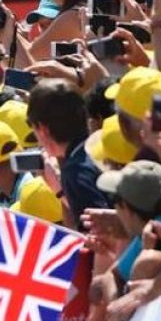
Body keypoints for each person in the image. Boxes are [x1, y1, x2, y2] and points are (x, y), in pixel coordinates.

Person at [26, 79, 112, 228]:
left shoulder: (75, 171)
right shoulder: (102, 144)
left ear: (43, 129)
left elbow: (100, 232)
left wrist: (59, 190)